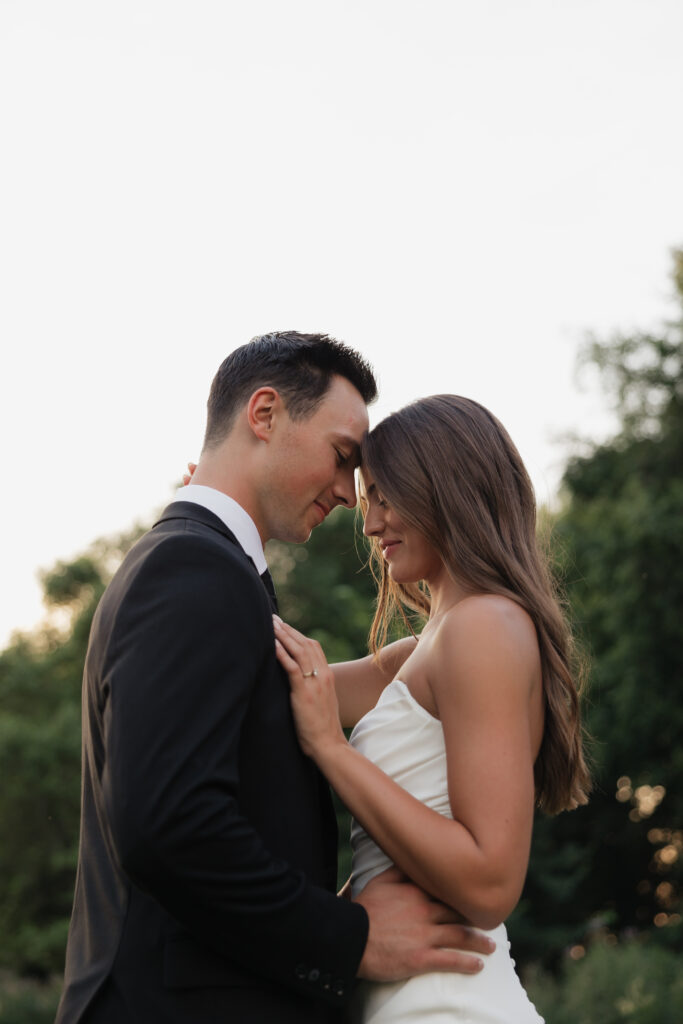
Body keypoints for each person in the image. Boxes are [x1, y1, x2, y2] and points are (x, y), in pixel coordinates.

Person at [56, 336, 493, 1024]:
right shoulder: (193, 571)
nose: (352, 496)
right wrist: (351, 939)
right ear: (264, 414)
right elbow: (168, 824)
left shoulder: (208, 571)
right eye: (343, 456)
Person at [273, 394, 592, 1024]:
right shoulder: (418, 652)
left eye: (387, 498)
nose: (370, 524)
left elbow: (489, 883)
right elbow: (281, 690)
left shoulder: (486, 627)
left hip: (450, 1005)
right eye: (368, 501)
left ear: (446, 490)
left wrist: (332, 752)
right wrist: (221, 534)